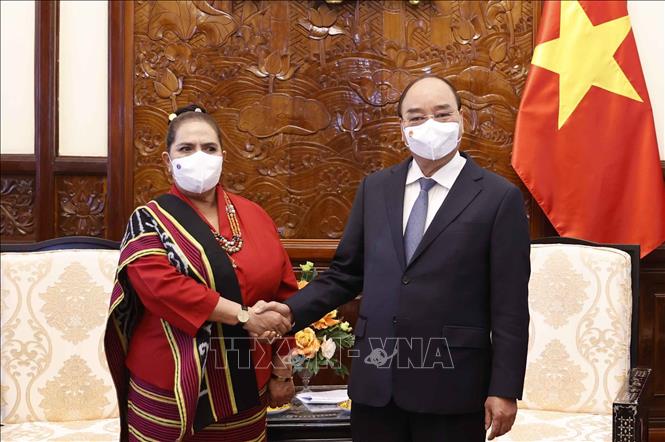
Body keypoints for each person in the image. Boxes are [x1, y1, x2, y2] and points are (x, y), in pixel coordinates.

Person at [257, 76, 531, 441]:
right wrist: (290, 312)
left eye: (441, 114)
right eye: (416, 118)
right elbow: (345, 274)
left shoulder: (499, 198)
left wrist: (504, 388)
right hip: (377, 384)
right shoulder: (376, 188)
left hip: (453, 386)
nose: (429, 125)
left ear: (462, 120)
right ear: (402, 127)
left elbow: (510, 305)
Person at [104, 104, 297, 442]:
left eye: (209, 148)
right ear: (167, 161)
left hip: (246, 381)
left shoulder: (255, 216)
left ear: (223, 156)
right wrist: (243, 316)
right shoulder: (148, 220)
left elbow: (285, 298)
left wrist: (282, 370)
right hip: (169, 387)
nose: (199, 157)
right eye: (186, 148)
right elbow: (163, 289)